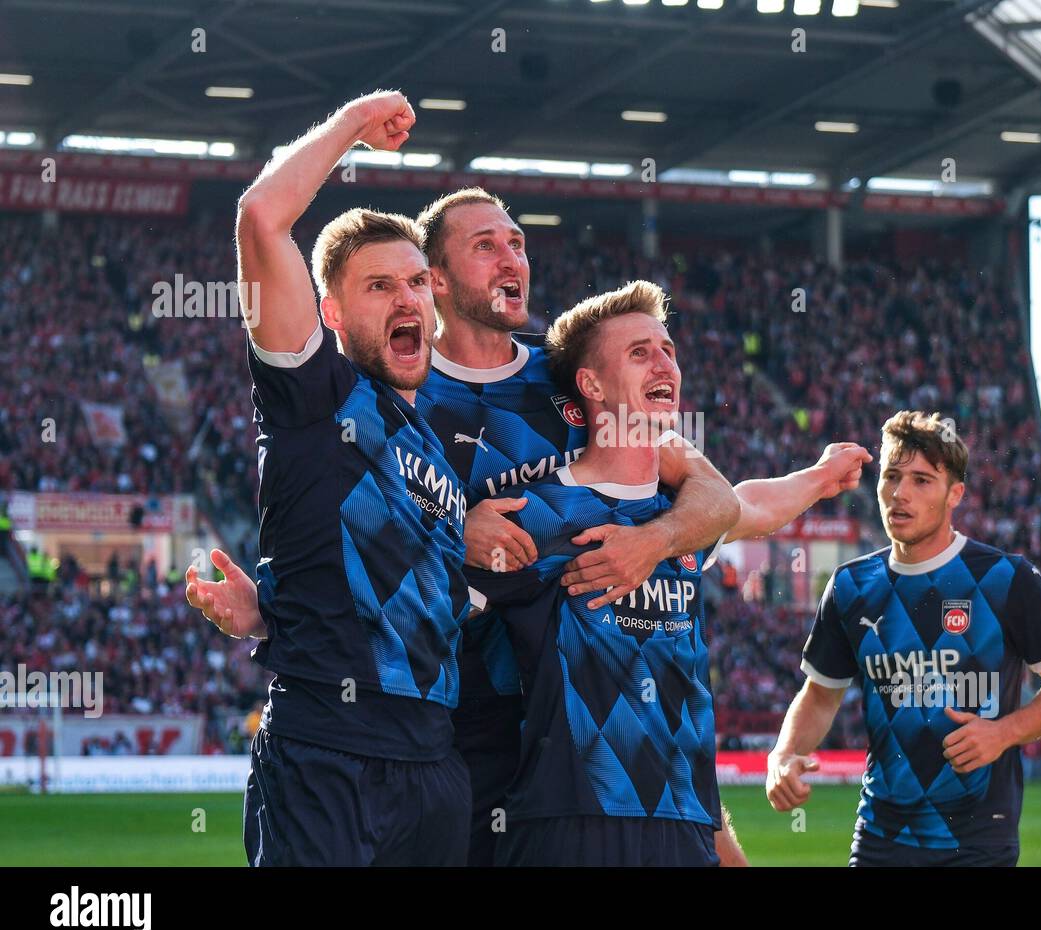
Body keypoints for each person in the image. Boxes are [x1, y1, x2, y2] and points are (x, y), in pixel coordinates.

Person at [191, 184, 740, 866]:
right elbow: (350, 526)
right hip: (439, 725)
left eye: (516, 243)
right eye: (486, 246)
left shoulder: (568, 377)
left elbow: (715, 495)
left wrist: (653, 541)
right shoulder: (395, 386)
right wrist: (278, 604)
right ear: (440, 281)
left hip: (549, 730)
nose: (511, 257)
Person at [465, 280, 870, 865]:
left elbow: (749, 505)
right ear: (592, 385)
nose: (664, 362)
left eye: (668, 350)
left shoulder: (685, 517)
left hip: (682, 821)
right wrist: (457, 536)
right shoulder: (539, 514)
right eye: (639, 352)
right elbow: (431, 607)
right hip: (573, 821)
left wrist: (821, 476)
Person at [232, 91, 474, 866]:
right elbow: (261, 216)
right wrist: (352, 127)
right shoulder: (316, 392)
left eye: (416, 284)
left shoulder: (436, 449)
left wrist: (269, 608)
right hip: (328, 753)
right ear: (328, 312)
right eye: (380, 287)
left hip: (436, 764)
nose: (408, 299)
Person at [765, 411, 1041, 867]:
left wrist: (1003, 733)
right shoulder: (850, 587)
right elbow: (819, 696)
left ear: (954, 493)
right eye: (892, 476)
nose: (900, 493)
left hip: (978, 840)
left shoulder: (1004, 578)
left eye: (922, 480)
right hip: (881, 835)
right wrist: (784, 754)